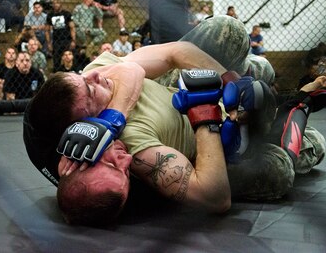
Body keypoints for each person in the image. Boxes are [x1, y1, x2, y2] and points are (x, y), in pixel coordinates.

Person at [23, 16, 326, 225]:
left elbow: (152, 61)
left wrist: (232, 81)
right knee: (285, 167)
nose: (94, 74)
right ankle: (289, 102)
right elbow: (215, 197)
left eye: (83, 77)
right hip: (215, 132)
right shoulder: (131, 148)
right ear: (86, 119)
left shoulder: (100, 77)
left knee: (227, 30)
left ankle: (253, 75)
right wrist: (205, 115)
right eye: (90, 89)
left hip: (185, 85)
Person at [45, 0, 76, 72]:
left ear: (61, 4)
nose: (56, 4)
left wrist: (73, 40)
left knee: (68, 58)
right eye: (54, 3)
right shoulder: (50, 15)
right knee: (56, 60)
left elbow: (72, 27)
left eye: (57, 3)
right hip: (56, 41)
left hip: (67, 39)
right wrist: (49, 43)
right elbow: (47, 30)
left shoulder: (66, 14)